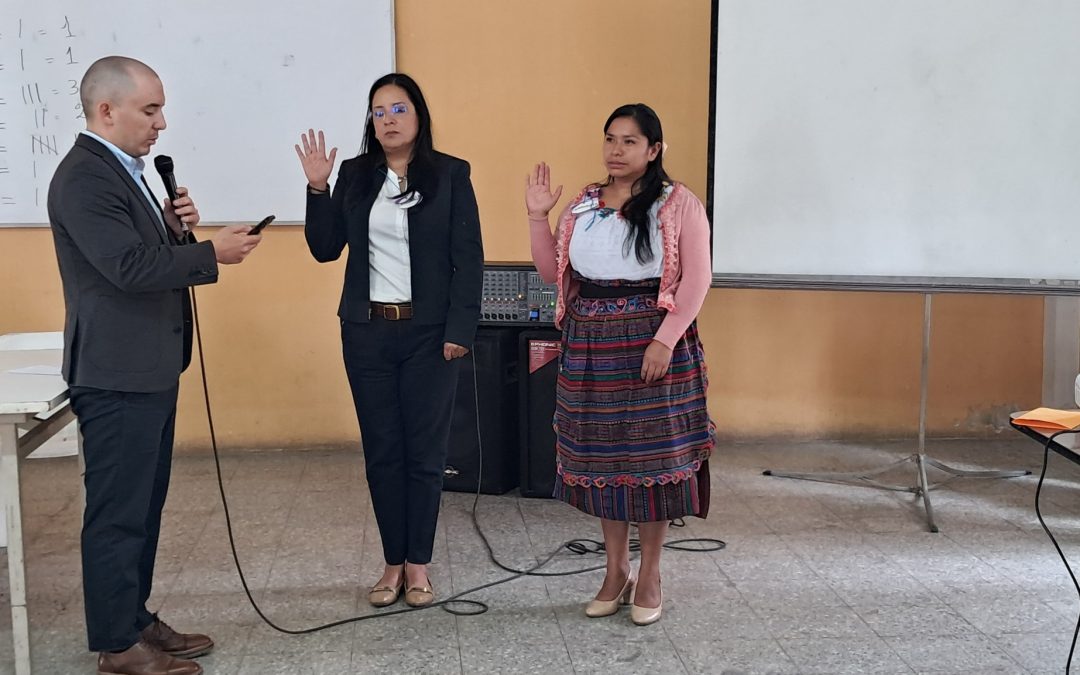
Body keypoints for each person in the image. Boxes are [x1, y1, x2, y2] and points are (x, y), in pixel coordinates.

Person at [48, 56, 260, 674]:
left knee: (142, 502)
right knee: (117, 510)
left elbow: (137, 251)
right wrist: (207, 252)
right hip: (114, 372)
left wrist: (170, 227)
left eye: (161, 109)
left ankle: (133, 616)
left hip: (146, 366)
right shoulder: (85, 177)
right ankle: (117, 646)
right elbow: (127, 270)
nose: (161, 123)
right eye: (150, 109)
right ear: (106, 110)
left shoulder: (126, 172)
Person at [295, 73, 483, 608]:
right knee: (383, 451)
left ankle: (419, 565)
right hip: (367, 331)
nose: (389, 119)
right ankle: (391, 563)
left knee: (424, 453)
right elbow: (326, 248)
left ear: (419, 115)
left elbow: (468, 259)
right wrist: (317, 189)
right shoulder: (355, 174)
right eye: (378, 112)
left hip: (430, 335)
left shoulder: (449, 174)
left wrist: (459, 331)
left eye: (398, 109)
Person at [526, 103, 713, 626]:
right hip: (590, 348)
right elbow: (552, 273)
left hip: (653, 345)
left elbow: (697, 280)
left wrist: (664, 341)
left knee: (652, 464)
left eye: (629, 141)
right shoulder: (584, 205)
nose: (616, 149)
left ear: (654, 150)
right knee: (604, 463)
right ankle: (615, 570)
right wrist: (538, 216)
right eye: (610, 138)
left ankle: (650, 573)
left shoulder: (678, 204)